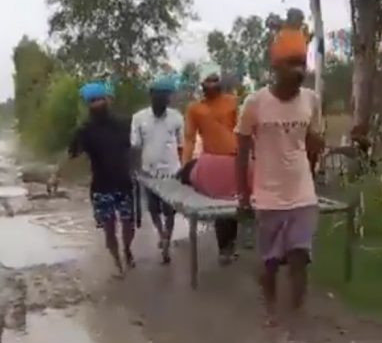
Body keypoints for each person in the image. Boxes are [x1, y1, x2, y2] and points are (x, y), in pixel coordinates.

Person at [236, 27, 323, 343]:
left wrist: (316, 155)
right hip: (268, 196)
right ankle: (271, 309)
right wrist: (242, 196)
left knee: (299, 258)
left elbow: (314, 143)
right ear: (275, 67)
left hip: (302, 193)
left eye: (302, 63)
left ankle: (293, 326)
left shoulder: (311, 101)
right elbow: (242, 149)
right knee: (271, 263)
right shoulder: (256, 103)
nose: (299, 70)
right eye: (291, 64)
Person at [49, 82, 135, 277]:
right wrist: (55, 175)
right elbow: (70, 154)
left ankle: (127, 249)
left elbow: (136, 148)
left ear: (108, 100)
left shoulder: (123, 124)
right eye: (92, 101)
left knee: (128, 225)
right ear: (88, 105)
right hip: (101, 187)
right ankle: (117, 264)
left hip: (124, 183)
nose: (97, 104)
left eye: (100, 99)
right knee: (109, 229)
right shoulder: (85, 131)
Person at [183, 73, 240, 265]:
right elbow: (190, 138)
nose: (212, 85)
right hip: (212, 163)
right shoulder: (195, 108)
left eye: (215, 81)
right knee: (219, 204)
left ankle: (230, 244)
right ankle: (224, 247)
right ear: (202, 85)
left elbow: (244, 130)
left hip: (235, 160)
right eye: (208, 82)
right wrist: (185, 164)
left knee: (235, 203)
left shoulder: (233, 102)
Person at [131, 76, 184, 264]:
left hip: (171, 172)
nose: (162, 99)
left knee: (170, 210)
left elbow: (181, 145)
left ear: (169, 97)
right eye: (158, 95)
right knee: (153, 209)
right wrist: (137, 171)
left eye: (165, 95)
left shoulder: (177, 117)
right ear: (151, 95)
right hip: (149, 173)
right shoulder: (138, 118)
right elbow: (135, 146)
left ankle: (167, 242)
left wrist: (183, 169)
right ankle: (161, 233)